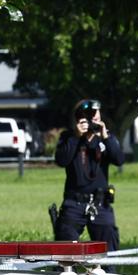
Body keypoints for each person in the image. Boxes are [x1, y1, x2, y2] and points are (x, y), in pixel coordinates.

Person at [54, 99, 124, 250]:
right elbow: (61, 160)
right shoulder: (68, 137)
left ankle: (105, 273)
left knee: (108, 252)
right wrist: (76, 137)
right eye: (89, 115)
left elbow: (119, 160)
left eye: (96, 115)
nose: (93, 119)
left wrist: (106, 137)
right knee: (64, 252)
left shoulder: (105, 138)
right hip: (74, 203)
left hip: (100, 204)